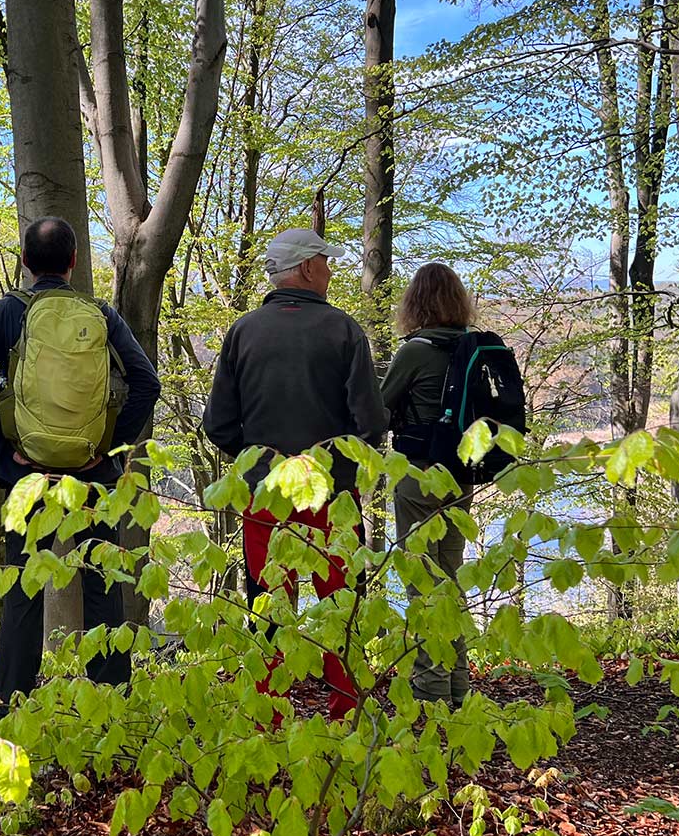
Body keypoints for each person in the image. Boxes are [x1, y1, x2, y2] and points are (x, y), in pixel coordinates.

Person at [0, 217, 161, 712]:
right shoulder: (101, 315)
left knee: (24, 584)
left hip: (28, 475)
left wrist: (6, 447)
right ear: (72, 262)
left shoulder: (6, 313)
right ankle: (109, 700)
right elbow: (145, 385)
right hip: (93, 477)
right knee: (102, 582)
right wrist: (108, 447)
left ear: (25, 261)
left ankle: (13, 702)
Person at [202, 227, 388, 719]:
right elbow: (372, 425)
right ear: (307, 268)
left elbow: (217, 425)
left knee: (270, 609)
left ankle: (270, 719)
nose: (330, 271)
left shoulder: (242, 332)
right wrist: (333, 468)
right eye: (326, 262)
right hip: (333, 497)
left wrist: (261, 464)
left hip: (264, 498)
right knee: (341, 609)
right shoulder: (346, 332)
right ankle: (346, 716)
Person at [380, 262, 476, 707]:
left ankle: (431, 691)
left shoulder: (415, 351)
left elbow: (381, 409)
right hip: (462, 477)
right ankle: (458, 685)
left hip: (418, 475)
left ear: (414, 303)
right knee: (450, 581)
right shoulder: (474, 347)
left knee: (424, 585)